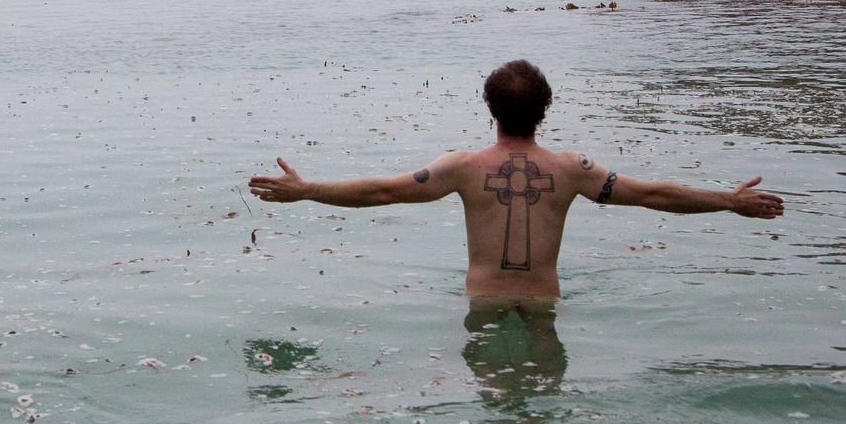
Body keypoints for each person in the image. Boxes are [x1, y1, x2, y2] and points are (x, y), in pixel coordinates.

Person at [247, 59, 784, 300]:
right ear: (545, 110)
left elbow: (381, 190)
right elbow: (654, 196)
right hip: (544, 302)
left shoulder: (462, 167)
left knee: (492, 403)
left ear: (490, 108)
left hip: (483, 302)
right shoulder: (573, 170)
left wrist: (307, 190)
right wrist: (728, 201)